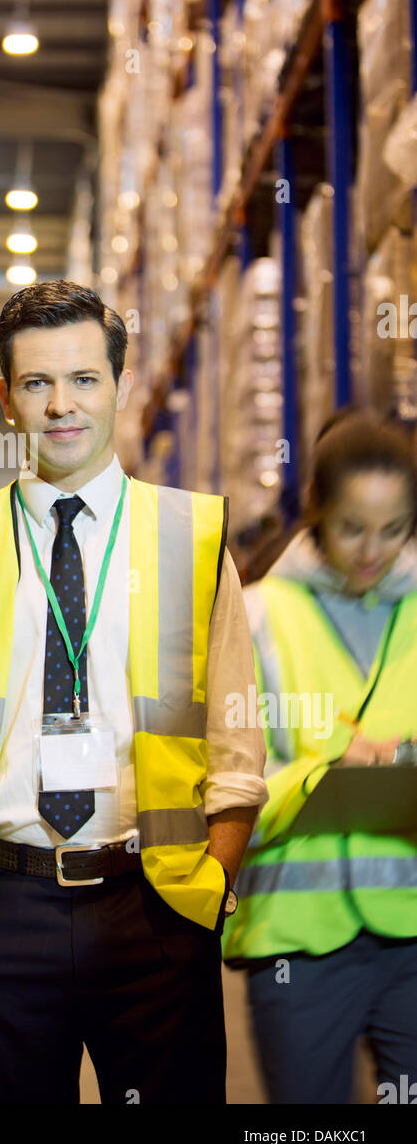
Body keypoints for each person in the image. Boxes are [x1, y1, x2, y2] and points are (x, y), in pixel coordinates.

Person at [0, 280, 268, 1105]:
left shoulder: (193, 539)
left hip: (156, 900)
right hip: (0, 910)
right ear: (6, 398)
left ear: (121, 385)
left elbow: (238, 750)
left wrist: (210, 894)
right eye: (37, 383)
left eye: (85, 380)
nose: (63, 405)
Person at [223, 408, 417, 1105]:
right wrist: (320, 775)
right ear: (314, 512)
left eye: (393, 531)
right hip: (296, 943)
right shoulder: (255, 618)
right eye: (351, 528)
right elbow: (223, 785)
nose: (371, 551)